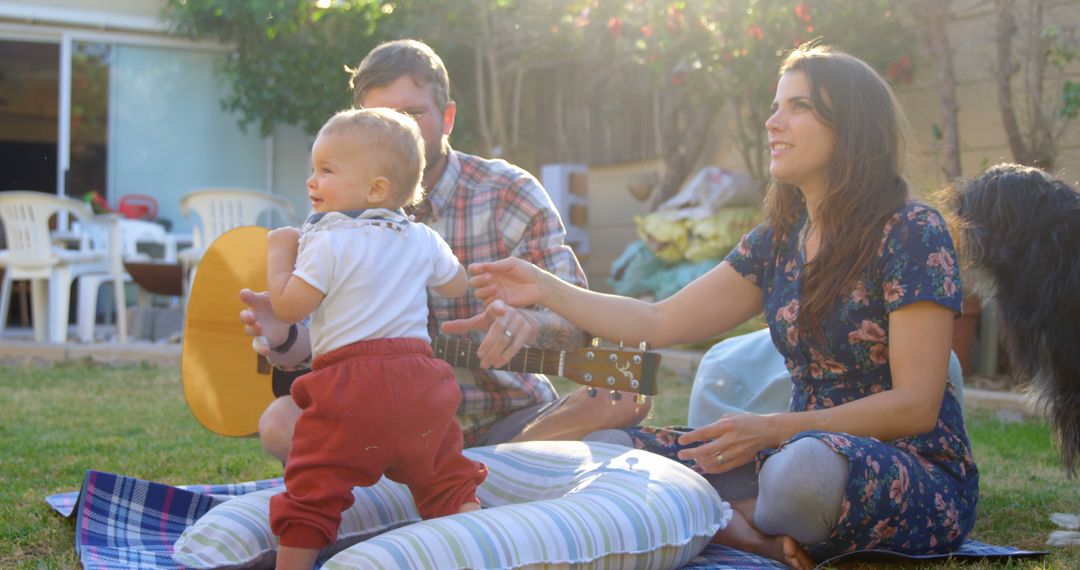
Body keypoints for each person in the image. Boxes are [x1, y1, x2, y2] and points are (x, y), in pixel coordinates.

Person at [464, 43, 978, 569]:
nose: (773, 122)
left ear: (852, 125)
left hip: (904, 468)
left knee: (802, 474)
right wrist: (546, 287)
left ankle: (709, 518)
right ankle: (745, 527)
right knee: (608, 444)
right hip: (786, 448)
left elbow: (916, 404)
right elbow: (657, 321)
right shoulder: (779, 241)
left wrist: (771, 428)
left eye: (798, 107)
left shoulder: (911, 232)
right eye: (776, 105)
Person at [241, 39, 651, 464]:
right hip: (378, 420)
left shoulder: (509, 193)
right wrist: (284, 333)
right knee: (279, 424)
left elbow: (577, 321)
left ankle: (459, 475)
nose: (399, 130)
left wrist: (530, 321)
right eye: (379, 117)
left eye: (413, 114)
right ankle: (480, 481)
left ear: (448, 117)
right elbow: (322, 345)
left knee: (622, 400)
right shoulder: (333, 209)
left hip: (511, 418)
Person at [265, 107, 486, 570]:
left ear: (376, 189)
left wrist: (279, 250)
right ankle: (479, 553)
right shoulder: (422, 237)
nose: (311, 181)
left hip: (349, 387)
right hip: (420, 383)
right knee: (445, 478)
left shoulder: (327, 241)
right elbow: (456, 284)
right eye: (313, 169)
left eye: (326, 171)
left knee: (314, 488)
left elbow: (288, 308)